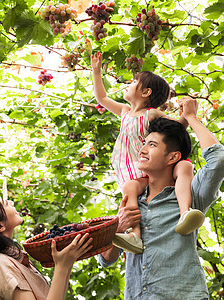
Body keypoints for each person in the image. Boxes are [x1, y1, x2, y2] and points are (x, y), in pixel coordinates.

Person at [98, 98, 224, 299]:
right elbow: (106, 260)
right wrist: (116, 229)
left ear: (172, 157)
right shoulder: (132, 197)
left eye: (151, 145)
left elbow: (218, 161)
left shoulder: (191, 196)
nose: (142, 150)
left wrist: (191, 118)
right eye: (144, 143)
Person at [91, 52, 205, 254]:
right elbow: (102, 97)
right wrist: (96, 72)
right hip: (130, 170)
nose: (129, 82)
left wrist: (187, 116)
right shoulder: (125, 112)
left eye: (134, 81)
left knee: (134, 187)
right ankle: (135, 235)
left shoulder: (150, 114)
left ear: (146, 92)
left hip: (146, 170)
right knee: (130, 189)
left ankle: (184, 213)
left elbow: (176, 130)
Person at [0, 189, 93, 300]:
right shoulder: (0, 264)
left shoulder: (13, 259)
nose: (12, 203)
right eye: (5, 203)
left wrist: (66, 263)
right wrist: (62, 267)